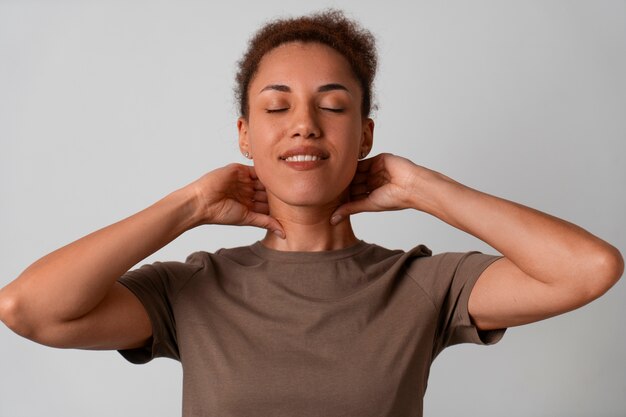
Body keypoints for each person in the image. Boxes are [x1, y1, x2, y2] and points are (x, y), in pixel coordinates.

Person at [0, 8, 622, 417]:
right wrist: (187, 206)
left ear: (365, 132)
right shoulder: (191, 289)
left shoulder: (424, 285)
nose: (303, 124)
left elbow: (590, 269)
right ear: (244, 135)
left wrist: (423, 189)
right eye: (277, 108)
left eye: (332, 105)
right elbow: (27, 309)